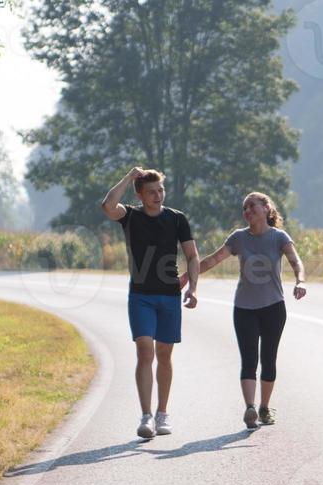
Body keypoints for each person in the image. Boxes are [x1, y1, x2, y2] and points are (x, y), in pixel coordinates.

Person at [188, 192, 306, 429]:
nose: (248, 210)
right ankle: (250, 408)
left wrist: (300, 280)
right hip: (244, 308)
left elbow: (296, 261)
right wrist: (186, 278)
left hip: (273, 307)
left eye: (252, 206)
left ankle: (264, 407)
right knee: (249, 358)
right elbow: (213, 260)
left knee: (268, 358)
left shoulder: (279, 237)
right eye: (245, 208)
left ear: (266, 208)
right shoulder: (239, 238)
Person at [101, 167, 199, 440]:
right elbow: (108, 205)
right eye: (152, 192)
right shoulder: (130, 216)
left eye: (161, 191)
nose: (158, 196)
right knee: (145, 352)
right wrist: (128, 177)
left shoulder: (177, 219)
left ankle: (162, 413)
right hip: (141, 296)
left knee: (165, 355)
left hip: (169, 296)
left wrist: (193, 287)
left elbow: (192, 256)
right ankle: (145, 416)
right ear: (140, 195)